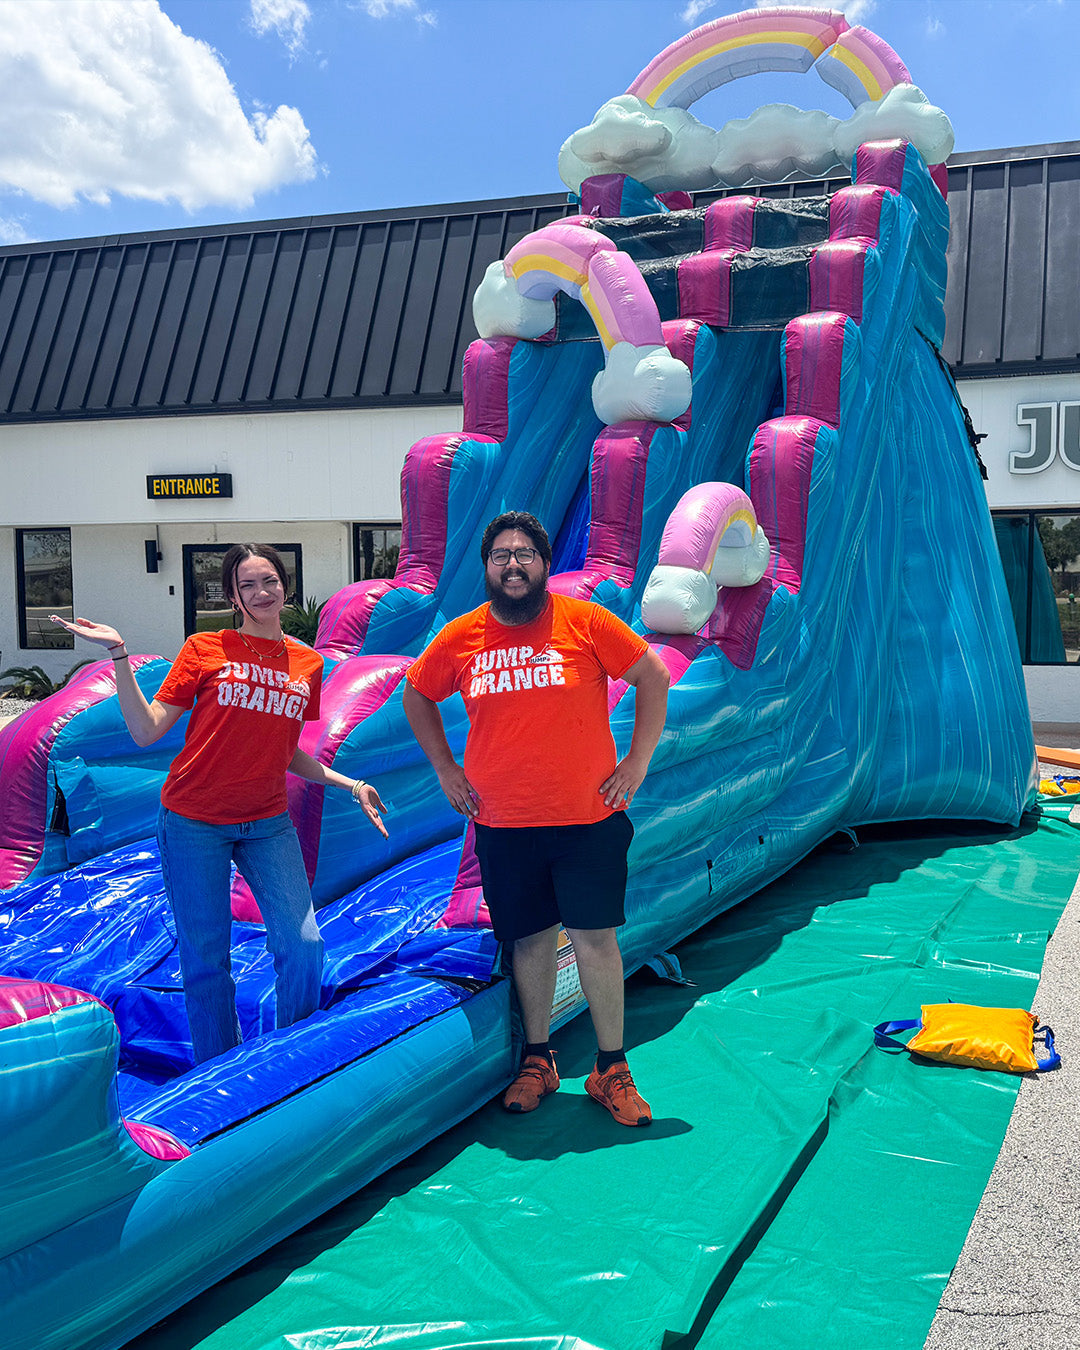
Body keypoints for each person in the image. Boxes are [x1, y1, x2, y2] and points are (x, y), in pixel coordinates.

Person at [51, 543, 388, 1065]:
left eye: (270, 580)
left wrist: (348, 783)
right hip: (193, 821)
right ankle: (218, 1070)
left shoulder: (307, 663)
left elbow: (285, 749)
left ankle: (288, 1058)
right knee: (207, 958)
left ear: (285, 585)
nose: (261, 591)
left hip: (267, 822)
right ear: (233, 594)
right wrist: (119, 655)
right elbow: (146, 730)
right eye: (248, 584)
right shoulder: (206, 648)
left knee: (303, 945)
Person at [403, 511, 669, 1126]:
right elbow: (418, 693)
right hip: (505, 822)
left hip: (587, 818)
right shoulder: (462, 636)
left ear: (545, 564)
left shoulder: (585, 621)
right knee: (529, 940)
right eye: (501, 555)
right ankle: (539, 1059)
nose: (513, 564)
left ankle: (611, 1068)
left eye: (525, 553)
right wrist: (446, 769)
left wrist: (637, 762)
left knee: (596, 939)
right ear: (486, 567)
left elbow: (652, 677)